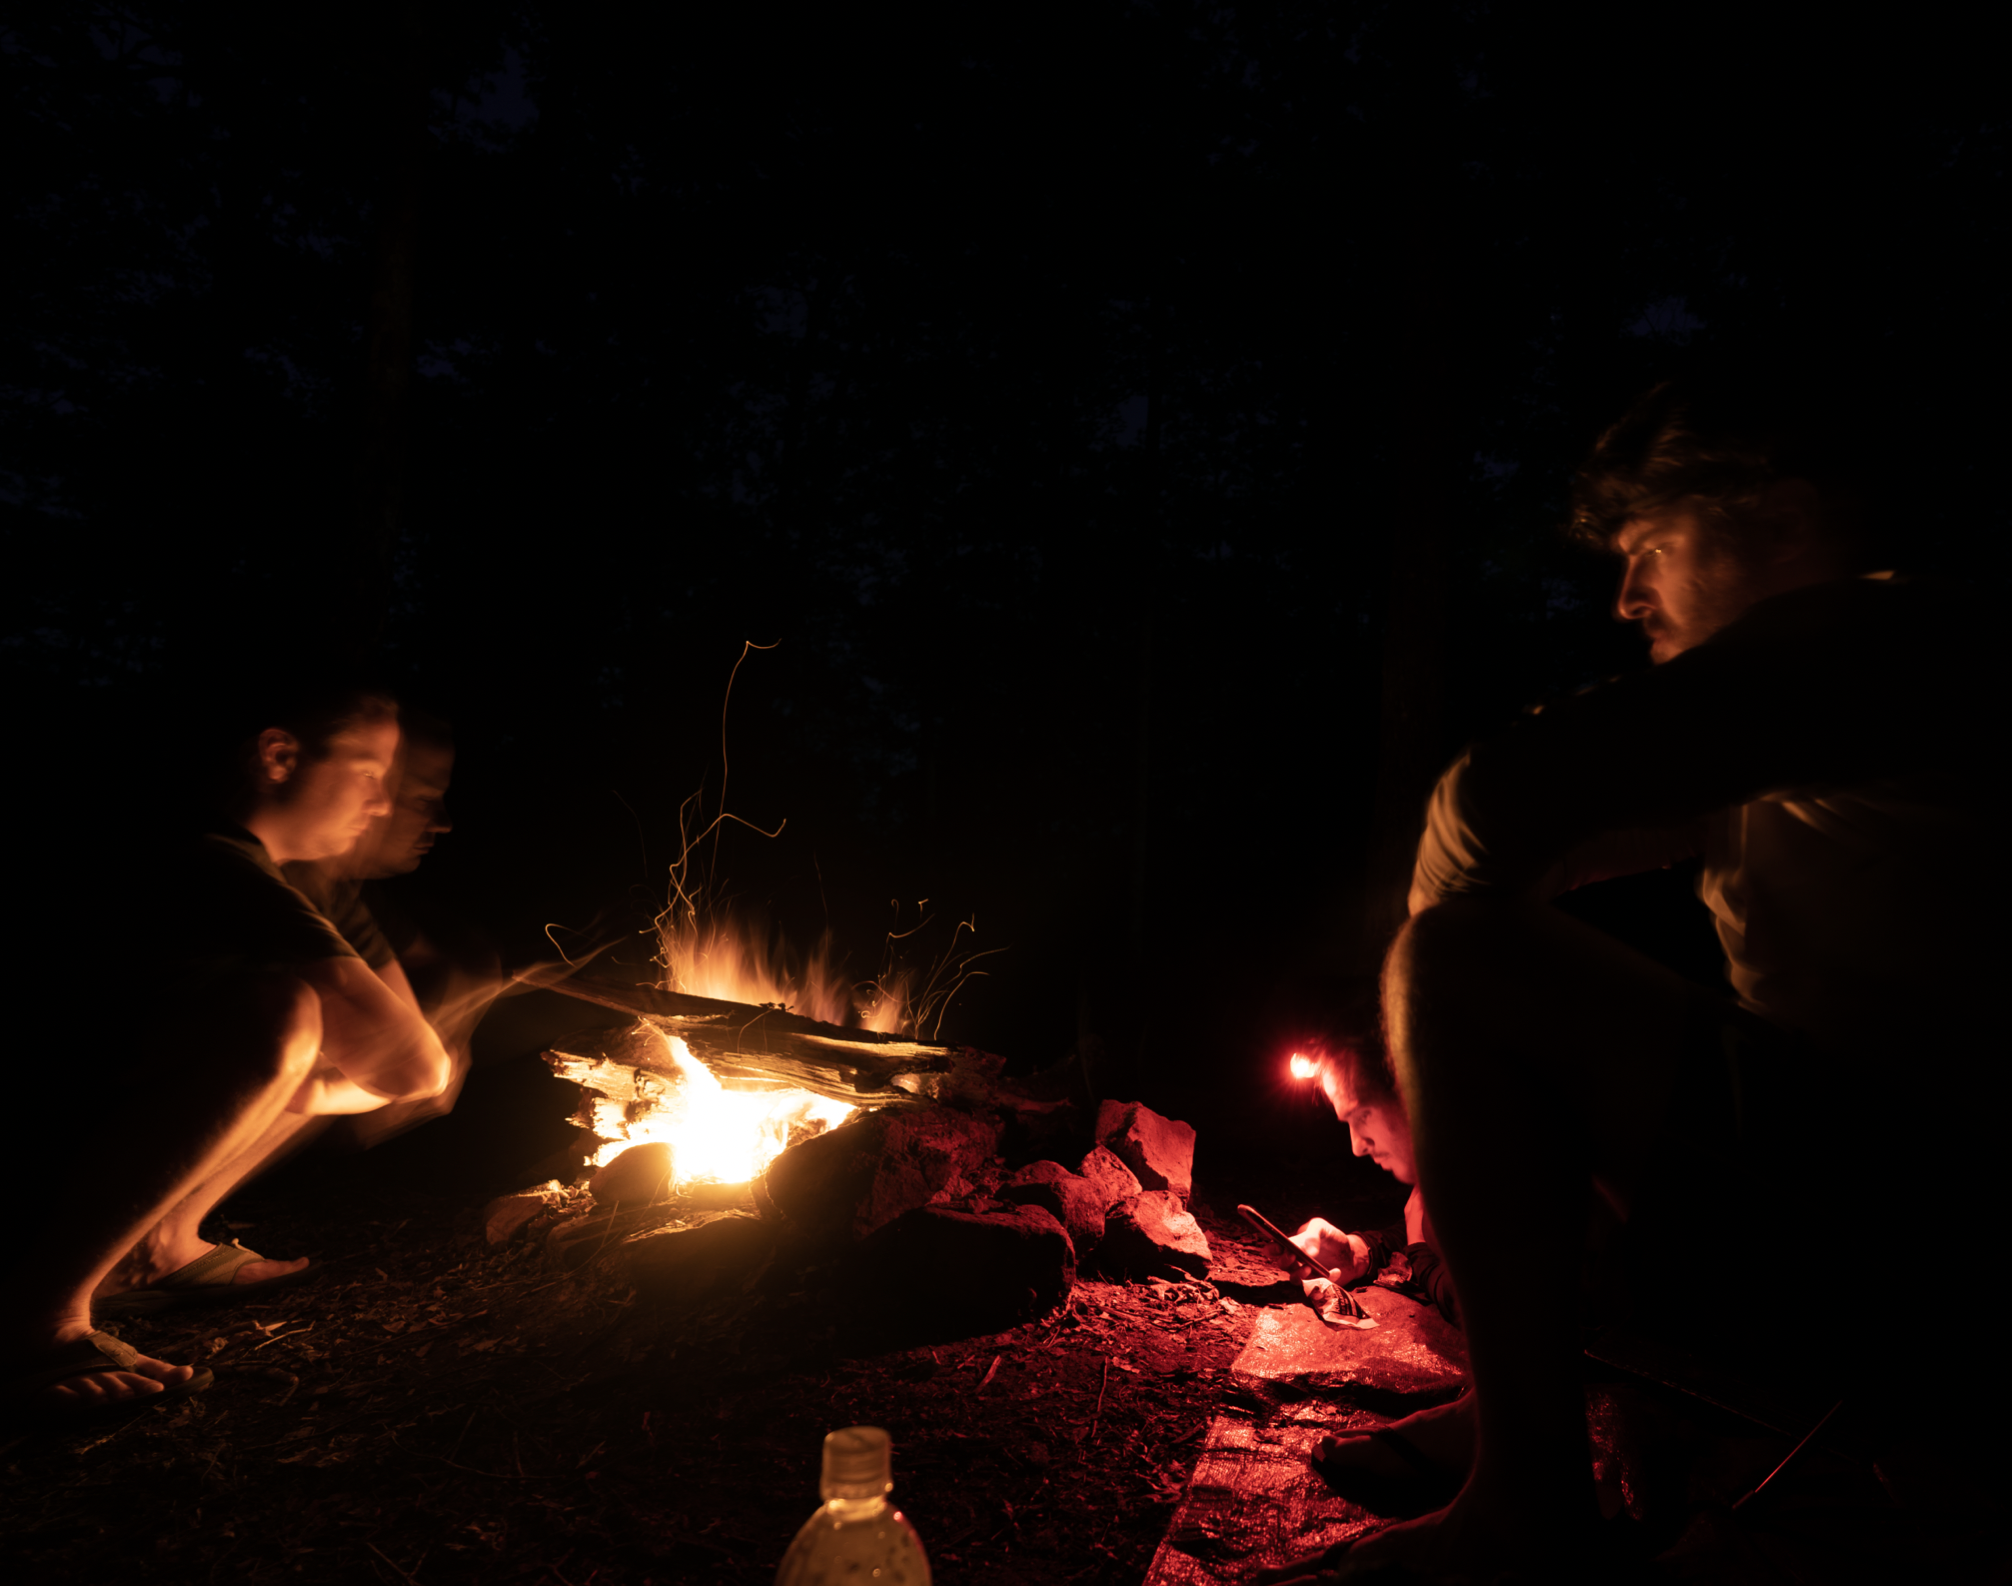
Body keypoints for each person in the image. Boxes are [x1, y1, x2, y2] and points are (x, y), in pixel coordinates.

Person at [1260, 374, 1997, 1582]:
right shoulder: (1827, 720)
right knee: (1524, 988)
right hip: (1886, 1206)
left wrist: (1417, 1069)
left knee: (1455, 959)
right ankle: (1544, 1406)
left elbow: (1491, 800)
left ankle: (1523, 1508)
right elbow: (1555, 829)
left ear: (1781, 517)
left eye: (1650, 544)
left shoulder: (1900, 638)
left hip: (1951, 1239)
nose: (1623, 595)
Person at [5, 686, 454, 1418]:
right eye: (370, 773)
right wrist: (318, 1084)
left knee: (312, 1024)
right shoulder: (208, 858)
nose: (380, 803)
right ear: (278, 756)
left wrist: (323, 1079)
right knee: (284, 1014)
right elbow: (416, 1066)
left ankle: (150, 1249)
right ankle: (32, 1319)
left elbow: (407, 1048)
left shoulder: (251, 864)